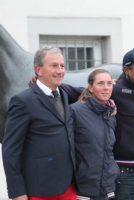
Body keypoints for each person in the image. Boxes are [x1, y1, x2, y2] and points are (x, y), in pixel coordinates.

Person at [60, 48, 134, 200]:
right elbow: (74, 91)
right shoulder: (112, 89)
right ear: (126, 69)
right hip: (124, 175)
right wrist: (39, 83)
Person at [2, 47, 76, 200]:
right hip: (38, 191)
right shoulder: (22, 101)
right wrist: (17, 193)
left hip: (68, 187)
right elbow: (11, 151)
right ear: (38, 70)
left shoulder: (65, 94)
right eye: (54, 65)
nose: (60, 70)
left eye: (62, 66)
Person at [70, 69, 119, 200]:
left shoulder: (110, 115)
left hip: (108, 188)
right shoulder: (75, 111)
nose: (106, 88)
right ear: (91, 88)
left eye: (109, 83)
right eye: (100, 83)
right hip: (84, 190)